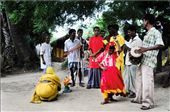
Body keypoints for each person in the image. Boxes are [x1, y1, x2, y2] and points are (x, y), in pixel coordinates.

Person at [131, 14, 164, 110]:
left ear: (147, 21)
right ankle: (138, 98)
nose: (142, 23)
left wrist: (146, 49)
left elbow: (160, 45)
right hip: (143, 60)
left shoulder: (155, 32)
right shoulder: (147, 33)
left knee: (147, 82)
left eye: (143, 21)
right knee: (139, 80)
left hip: (149, 61)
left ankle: (148, 103)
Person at [123, 25, 143, 98]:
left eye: (130, 32)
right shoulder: (131, 39)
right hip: (129, 62)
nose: (128, 33)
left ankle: (136, 92)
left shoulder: (138, 41)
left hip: (134, 62)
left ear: (134, 31)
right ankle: (131, 91)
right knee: (129, 78)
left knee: (134, 78)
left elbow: (137, 51)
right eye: (128, 32)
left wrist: (127, 47)